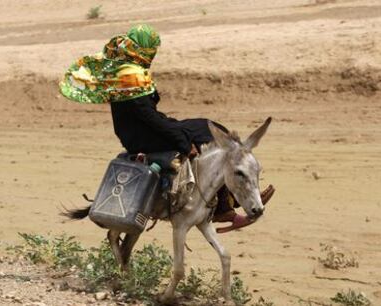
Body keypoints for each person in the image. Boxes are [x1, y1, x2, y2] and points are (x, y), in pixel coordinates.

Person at [60, 24, 274, 233]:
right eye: (152, 48)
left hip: (136, 131)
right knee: (207, 134)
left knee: (209, 127)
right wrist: (181, 140)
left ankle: (230, 200)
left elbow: (144, 114)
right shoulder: (131, 74)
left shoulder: (124, 67)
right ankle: (224, 207)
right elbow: (148, 117)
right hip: (141, 135)